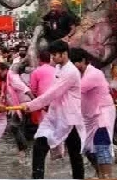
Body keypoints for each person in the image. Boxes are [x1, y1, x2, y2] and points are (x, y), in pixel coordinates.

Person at [19, 42, 86, 179]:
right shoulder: (58, 68)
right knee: (40, 146)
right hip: (56, 114)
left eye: (55, 55)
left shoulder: (71, 72)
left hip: (68, 117)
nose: (52, 58)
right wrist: (43, 105)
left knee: (75, 152)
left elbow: (53, 93)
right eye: (52, 55)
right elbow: (53, 91)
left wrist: (31, 105)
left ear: (64, 54)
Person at [75, 48, 116, 178]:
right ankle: (99, 173)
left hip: (101, 114)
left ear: (82, 61)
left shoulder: (94, 74)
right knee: (87, 148)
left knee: (101, 144)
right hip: (88, 116)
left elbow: (75, 91)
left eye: (74, 63)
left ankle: (106, 176)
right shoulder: (80, 74)